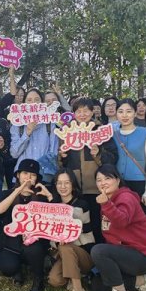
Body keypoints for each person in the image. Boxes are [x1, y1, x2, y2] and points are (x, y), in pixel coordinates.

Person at [90, 164, 146, 291]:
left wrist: (106, 204)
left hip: (141, 255)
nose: (103, 183)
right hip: (124, 254)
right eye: (99, 180)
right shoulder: (107, 200)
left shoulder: (126, 197)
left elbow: (122, 221)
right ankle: (142, 281)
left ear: (118, 180)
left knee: (99, 251)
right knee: (97, 285)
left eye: (107, 178)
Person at [59, 97, 118, 243]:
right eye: (78, 111)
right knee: (78, 222)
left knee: (98, 222)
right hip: (75, 187)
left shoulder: (101, 131)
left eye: (86, 110)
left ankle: (99, 251)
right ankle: (81, 252)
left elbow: (113, 158)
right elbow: (62, 164)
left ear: (92, 112)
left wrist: (98, 153)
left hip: (96, 187)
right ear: (74, 114)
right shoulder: (67, 132)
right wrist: (62, 156)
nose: (82, 114)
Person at [0, 159, 54, 291]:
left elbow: (56, 216)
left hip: (35, 243)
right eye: (25, 173)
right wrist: (17, 191)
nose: (28, 177)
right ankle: (18, 270)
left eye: (33, 175)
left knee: (33, 250)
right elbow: (0, 210)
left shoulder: (41, 195)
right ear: (18, 175)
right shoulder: (8, 193)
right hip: (11, 242)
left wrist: (50, 196)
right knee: (7, 268)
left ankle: (38, 280)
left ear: (37, 178)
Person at [113, 98, 146, 255]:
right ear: (116, 114)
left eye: (129, 111)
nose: (125, 115)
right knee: (123, 217)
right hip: (119, 184)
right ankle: (129, 248)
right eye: (121, 111)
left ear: (135, 113)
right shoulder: (112, 134)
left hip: (140, 182)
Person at [47, 170, 95, 291]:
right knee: (55, 280)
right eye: (59, 183)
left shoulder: (82, 204)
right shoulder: (53, 205)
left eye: (67, 183)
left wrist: (66, 233)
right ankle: (74, 276)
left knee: (65, 246)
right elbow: (49, 234)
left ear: (73, 185)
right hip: (63, 254)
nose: (63, 186)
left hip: (83, 253)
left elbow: (85, 230)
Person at [10, 88, 59, 184]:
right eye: (29, 100)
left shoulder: (49, 124)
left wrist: (37, 169)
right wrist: (27, 133)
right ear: (24, 104)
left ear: (42, 103)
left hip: (44, 176)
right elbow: (14, 153)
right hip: (22, 177)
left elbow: (53, 153)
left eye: (37, 100)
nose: (33, 103)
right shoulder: (17, 125)